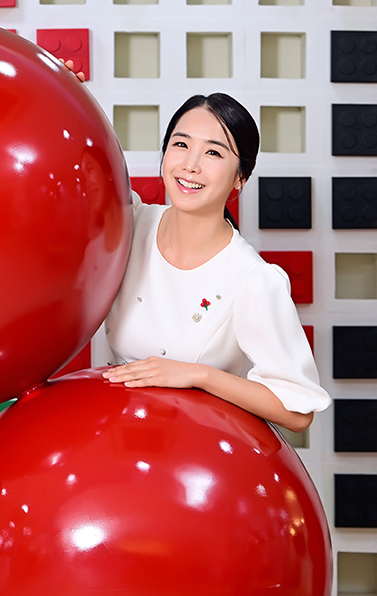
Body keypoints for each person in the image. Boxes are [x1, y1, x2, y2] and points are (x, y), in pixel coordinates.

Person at [100, 93, 330, 432]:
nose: (190, 165)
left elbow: (297, 412)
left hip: (194, 449)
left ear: (240, 177)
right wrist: (60, 83)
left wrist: (199, 376)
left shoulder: (251, 279)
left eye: (213, 152)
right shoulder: (127, 222)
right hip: (114, 434)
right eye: (181, 144)